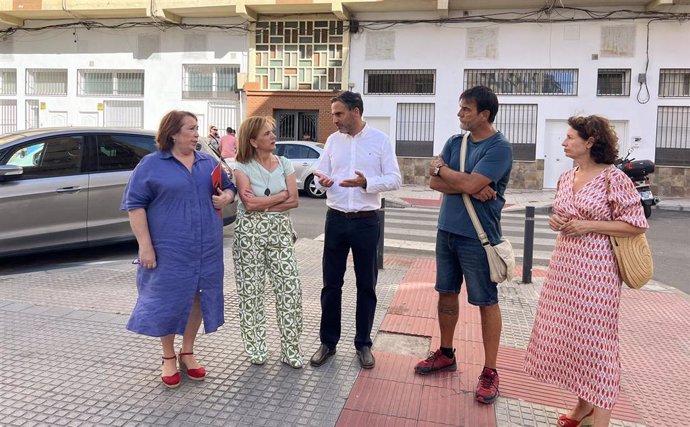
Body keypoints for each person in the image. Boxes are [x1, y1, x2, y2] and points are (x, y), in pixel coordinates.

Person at [524, 115, 648, 427]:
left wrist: (589, 224)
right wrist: (558, 222)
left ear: (590, 141)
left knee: (598, 345)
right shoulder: (568, 177)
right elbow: (563, 215)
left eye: (569, 137)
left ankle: (601, 418)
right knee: (574, 341)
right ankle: (582, 408)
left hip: (598, 272)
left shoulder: (613, 179)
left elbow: (636, 224)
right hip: (564, 271)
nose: (563, 143)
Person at [121, 110, 236, 388]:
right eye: (191, 129)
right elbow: (135, 206)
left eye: (197, 128)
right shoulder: (151, 165)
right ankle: (168, 356)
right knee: (168, 299)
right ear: (173, 133)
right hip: (169, 247)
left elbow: (229, 188)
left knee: (198, 296)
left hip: (206, 247)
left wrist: (225, 198)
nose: (197, 133)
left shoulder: (208, 162)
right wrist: (145, 247)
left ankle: (188, 351)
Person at [413, 86, 512, 406]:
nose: (459, 114)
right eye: (460, 108)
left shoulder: (499, 148)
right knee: (446, 293)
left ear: (484, 114)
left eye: (466, 110)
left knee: (485, 301)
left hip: (479, 237)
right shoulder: (456, 142)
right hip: (447, 231)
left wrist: (446, 171)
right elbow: (434, 183)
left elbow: (452, 179)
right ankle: (445, 352)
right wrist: (469, 184)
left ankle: (490, 371)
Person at [309, 91, 401, 370]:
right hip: (335, 219)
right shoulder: (333, 141)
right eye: (333, 114)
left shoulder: (380, 140)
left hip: (366, 220)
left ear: (356, 111)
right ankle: (328, 342)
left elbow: (395, 179)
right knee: (331, 285)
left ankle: (363, 344)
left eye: (339, 114)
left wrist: (366, 183)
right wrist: (322, 179)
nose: (334, 119)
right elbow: (320, 171)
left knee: (366, 285)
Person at [232, 116, 304, 368]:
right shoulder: (241, 166)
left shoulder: (284, 163)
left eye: (273, 132)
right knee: (251, 293)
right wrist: (281, 195)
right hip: (249, 236)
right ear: (253, 141)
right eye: (266, 133)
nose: (273, 136)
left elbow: (294, 200)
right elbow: (248, 204)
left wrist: (265, 204)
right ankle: (256, 348)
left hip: (280, 233)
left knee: (290, 289)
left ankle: (291, 349)